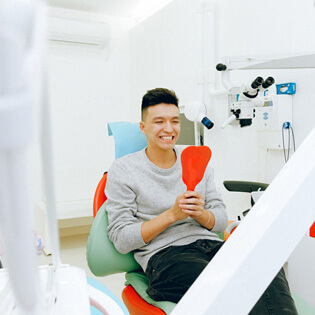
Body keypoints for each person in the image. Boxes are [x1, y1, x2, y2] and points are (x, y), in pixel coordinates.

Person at [106, 88, 297, 313]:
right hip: (166, 256)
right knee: (226, 287)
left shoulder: (195, 158)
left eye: (175, 121)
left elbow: (219, 219)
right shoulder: (124, 170)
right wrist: (172, 215)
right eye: (159, 121)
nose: (168, 128)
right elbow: (121, 238)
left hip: (211, 245)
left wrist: (201, 213)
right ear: (143, 127)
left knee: (264, 268)